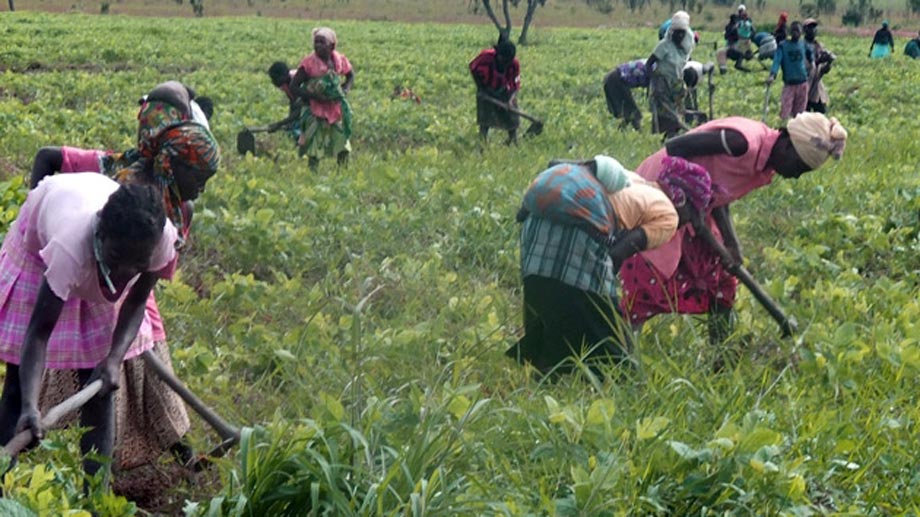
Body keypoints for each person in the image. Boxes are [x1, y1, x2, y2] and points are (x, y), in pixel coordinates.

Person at [28, 83, 221, 474]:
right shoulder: (116, 171)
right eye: (196, 175)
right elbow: (48, 157)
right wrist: (36, 210)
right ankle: (104, 464)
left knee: (141, 369)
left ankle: (174, 452)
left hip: (138, 291)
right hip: (91, 278)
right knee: (102, 373)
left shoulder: (183, 207)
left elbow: (162, 265)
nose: (200, 186)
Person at [0, 176, 179, 485]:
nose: (123, 274)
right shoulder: (68, 248)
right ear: (101, 234)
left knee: (100, 386)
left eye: (135, 265)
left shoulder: (158, 241)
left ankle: (95, 496)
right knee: (17, 387)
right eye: (116, 260)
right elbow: (38, 333)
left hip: (93, 244)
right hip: (40, 244)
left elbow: (136, 301)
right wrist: (32, 406)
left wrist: (112, 359)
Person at [619, 113, 847, 345]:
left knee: (720, 278)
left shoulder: (763, 162)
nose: (797, 176)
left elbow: (719, 189)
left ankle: (721, 350)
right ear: (788, 144)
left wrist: (731, 243)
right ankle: (619, 352)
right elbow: (675, 146)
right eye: (799, 166)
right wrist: (683, 198)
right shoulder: (743, 143)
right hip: (659, 194)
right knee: (649, 282)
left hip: (695, 206)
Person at [505, 155, 715, 377]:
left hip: (535, 222)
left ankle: (549, 372)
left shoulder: (634, 180)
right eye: (693, 215)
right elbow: (617, 254)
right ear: (684, 201)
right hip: (582, 228)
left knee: (549, 302)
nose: (688, 223)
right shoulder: (669, 216)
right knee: (608, 327)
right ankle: (622, 383)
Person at [289, 27, 354, 170]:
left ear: (332, 46)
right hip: (315, 109)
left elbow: (350, 75)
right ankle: (313, 175)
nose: (317, 45)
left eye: (321, 42)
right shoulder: (309, 63)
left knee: (342, 143)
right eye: (316, 42)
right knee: (314, 147)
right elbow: (294, 86)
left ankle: (342, 173)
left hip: (334, 109)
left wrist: (345, 89)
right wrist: (313, 96)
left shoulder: (339, 60)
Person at [647, 11, 695, 137]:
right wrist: (653, 80)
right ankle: (674, 133)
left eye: (682, 33)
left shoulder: (684, 48)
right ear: (672, 32)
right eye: (676, 32)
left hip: (675, 82)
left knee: (677, 109)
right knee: (667, 113)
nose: (679, 35)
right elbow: (649, 63)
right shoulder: (664, 45)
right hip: (662, 82)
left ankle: (671, 135)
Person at [469, 36, 522, 145]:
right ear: (498, 55)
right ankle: (482, 142)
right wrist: (481, 89)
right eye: (503, 59)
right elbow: (473, 68)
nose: (505, 63)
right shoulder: (485, 57)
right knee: (485, 117)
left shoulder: (514, 64)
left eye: (508, 60)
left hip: (504, 90)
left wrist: (511, 100)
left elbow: (515, 84)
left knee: (512, 117)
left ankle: (513, 140)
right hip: (486, 88)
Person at [768, 21, 814, 121]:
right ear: (789, 32)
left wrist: (812, 62)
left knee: (800, 115)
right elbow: (777, 61)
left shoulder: (803, 44)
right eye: (793, 30)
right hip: (789, 84)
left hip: (802, 82)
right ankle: (783, 131)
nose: (795, 33)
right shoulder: (783, 46)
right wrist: (772, 75)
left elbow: (810, 53)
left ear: (801, 32)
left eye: (797, 30)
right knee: (785, 111)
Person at [266, 61, 305, 143]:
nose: (274, 82)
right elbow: (293, 102)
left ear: (284, 76)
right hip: (303, 105)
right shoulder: (283, 84)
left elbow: (302, 108)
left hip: (317, 105)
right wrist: (289, 121)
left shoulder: (298, 79)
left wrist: (280, 124)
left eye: (275, 79)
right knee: (292, 128)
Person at [803, 18, 835, 113]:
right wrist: (818, 61)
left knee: (821, 114)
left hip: (817, 86)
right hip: (805, 85)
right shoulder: (801, 46)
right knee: (805, 117)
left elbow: (823, 70)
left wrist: (829, 62)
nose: (813, 30)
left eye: (814, 28)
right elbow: (805, 67)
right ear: (805, 30)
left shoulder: (819, 46)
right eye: (810, 28)